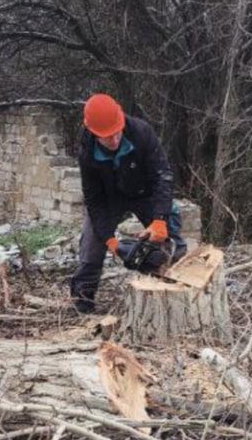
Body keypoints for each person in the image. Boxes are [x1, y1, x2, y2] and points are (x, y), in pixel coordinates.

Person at [69, 93, 186, 313]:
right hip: (109, 197)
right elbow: (93, 200)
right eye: (106, 137)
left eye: (116, 134)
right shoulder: (87, 152)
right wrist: (109, 239)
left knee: (173, 240)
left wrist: (160, 218)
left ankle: (177, 295)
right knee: (91, 245)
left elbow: (163, 175)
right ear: (94, 133)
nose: (113, 140)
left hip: (145, 192)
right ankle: (83, 301)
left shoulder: (141, 133)